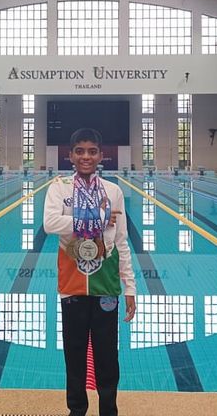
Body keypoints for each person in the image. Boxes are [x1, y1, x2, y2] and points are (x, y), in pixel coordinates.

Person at [44, 127, 136, 416]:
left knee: (107, 354)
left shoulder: (113, 191)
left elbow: (121, 241)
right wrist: (97, 218)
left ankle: (108, 410)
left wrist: (130, 287)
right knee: (74, 352)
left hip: (105, 281)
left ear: (101, 155)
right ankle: (77, 410)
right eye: (80, 151)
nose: (86, 156)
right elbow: (50, 224)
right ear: (70, 156)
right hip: (72, 281)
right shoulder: (59, 188)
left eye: (92, 151)